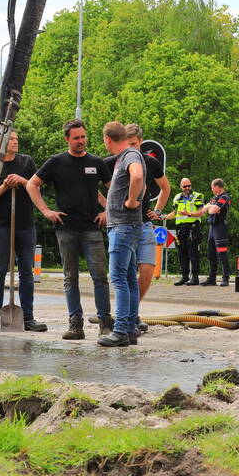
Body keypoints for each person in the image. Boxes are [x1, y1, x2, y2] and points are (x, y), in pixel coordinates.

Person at [26, 119, 113, 340]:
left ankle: (105, 323)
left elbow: (114, 189)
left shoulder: (96, 162)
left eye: (83, 137)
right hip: (66, 228)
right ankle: (76, 324)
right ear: (67, 139)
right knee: (70, 278)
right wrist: (46, 210)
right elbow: (32, 184)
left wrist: (107, 212)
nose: (81, 141)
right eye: (76, 138)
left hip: (93, 228)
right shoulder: (56, 162)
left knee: (100, 277)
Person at [103, 124, 170, 335]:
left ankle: (127, 320)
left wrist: (155, 210)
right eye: (127, 142)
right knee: (128, 275)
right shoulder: (114, 161)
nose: (130, 147)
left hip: (139, 223)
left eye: (133, 143)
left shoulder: (141, 160)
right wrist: (108, 206)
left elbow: (161, 186)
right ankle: (131, 318)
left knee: (139, 271)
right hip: (127, 222)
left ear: (140, 142)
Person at [0, 130, 47, 332]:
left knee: (27, 272)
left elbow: (37, 188)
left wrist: (22, 181)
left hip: (25, 224)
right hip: (2, 224)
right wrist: (4, 185)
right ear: (2, 143)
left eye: (16, 139)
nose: (15, 142)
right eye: (11, 139)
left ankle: (28, 317)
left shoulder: (26, 162)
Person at [98, 121, 145, 347]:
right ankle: (129, 329)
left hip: (123, 226)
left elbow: (136, 177)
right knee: (128, 279)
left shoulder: (129, 157)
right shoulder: (127, 157)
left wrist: (132, 200)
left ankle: (120, 331)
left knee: (118, 278)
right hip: (127, 226)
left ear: (108, 139)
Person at [165, 178, 205, 286]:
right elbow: (174, 213)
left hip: (192, 227)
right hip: (180, 228)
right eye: (185, 186)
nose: (187, 188)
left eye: (189, 186)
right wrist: (163, 217)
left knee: (193, 252)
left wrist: (189, 213)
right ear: (180, 187)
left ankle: (195, 277)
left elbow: (201, 213)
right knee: (182, 253)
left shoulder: (197, 196)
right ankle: (184, 276)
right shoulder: (177, 197)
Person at [200, 178, 232, 287]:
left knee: (222, 253)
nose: (211, 189)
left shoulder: (224, 197)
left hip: (220, 228)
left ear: (217, 187)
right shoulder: (215, 198)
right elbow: (205, 209)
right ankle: (211, 279)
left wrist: (212, 208)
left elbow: (212, 211)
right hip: (212, 228)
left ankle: (225, 278)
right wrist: (211, 207)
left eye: (212, 187)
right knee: (211, 254)